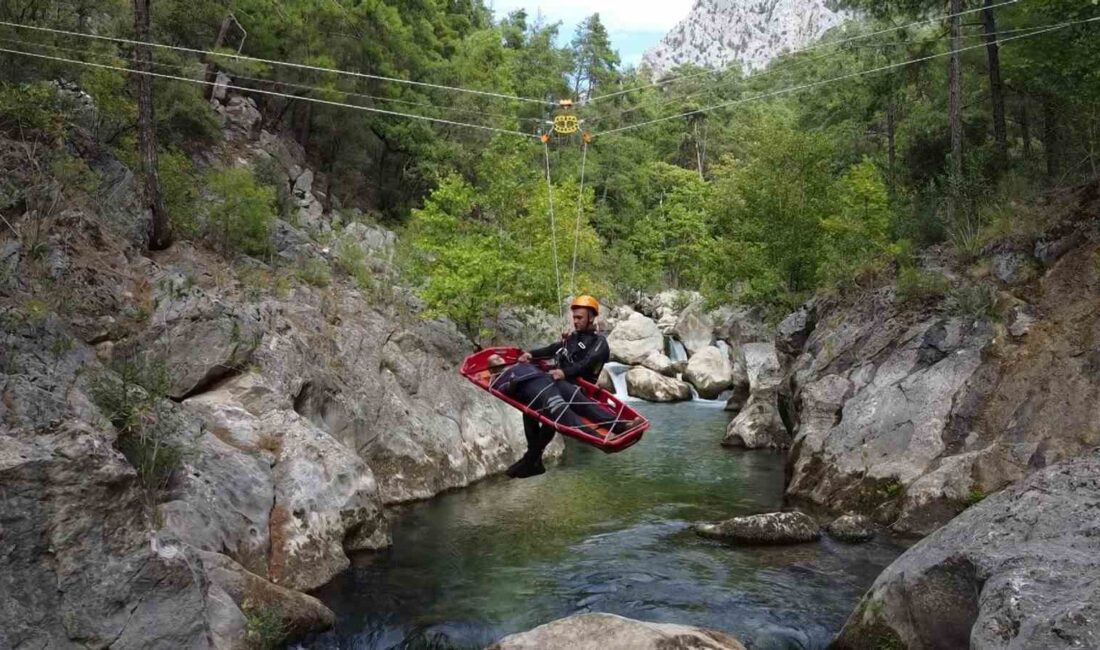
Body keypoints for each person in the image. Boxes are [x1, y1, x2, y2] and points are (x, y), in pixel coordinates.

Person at [503, 295, 641, 478]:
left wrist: (565, 373)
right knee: (532, 408)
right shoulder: (573, 337)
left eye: (580, 318)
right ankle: (532, 460)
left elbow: (587, 362)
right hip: (559, 384)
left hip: (580, 389)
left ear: (591, 317)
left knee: (553, 402)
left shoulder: (600, 343)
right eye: (574, 317)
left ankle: (621, 426)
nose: (575, 321)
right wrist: (531, 354)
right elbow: (554, 348)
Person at [487, 355, 600, 478]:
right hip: (537, 393)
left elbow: (542, 364)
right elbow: (505, 388)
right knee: (556, 415)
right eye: (494, 360)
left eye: (499, 357)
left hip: (547, 384)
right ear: (492, 370)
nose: (498, 359)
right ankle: (596, 437)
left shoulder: (520, 365)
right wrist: (512, 384)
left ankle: (531, 460)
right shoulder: (499, 379)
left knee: (545, 415)